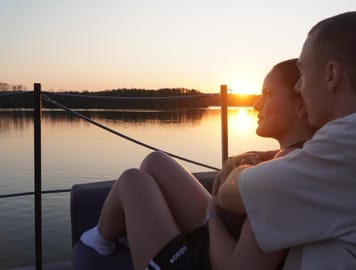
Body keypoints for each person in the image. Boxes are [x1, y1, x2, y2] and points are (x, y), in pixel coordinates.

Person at [216, 11, 356, 270]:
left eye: (302, 72)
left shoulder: (354, 140)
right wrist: (267, 156)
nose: (299, 87)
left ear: (331, 74)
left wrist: (240, 169)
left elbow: (233, 195)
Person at [79, 58, 316, 270]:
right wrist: (261, 154)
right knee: (156, 161)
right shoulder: (312, 150)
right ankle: (104, 235)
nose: (255, 104)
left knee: (132, 181)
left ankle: (99, 239)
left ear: (301, 106)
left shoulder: (282, 178)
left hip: (207, 260)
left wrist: (212, 217)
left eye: (268, 94)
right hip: (222, 237)